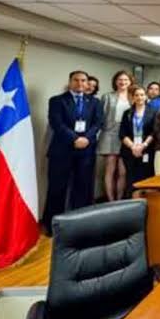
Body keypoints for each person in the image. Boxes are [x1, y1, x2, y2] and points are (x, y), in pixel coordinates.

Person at [43, 70, 103, 235]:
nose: (80, 83)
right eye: (76, 80)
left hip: (86, 151)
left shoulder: (94, 102)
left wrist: (86, 139)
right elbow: (56, 123)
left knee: (82, 189)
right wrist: (75, 139)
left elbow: (98, 123)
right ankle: (53, 226)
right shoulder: (57, 100)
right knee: (57, 189)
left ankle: (80, 224)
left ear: (87, 83)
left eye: (83, 80)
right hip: (62, 151)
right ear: (70, 82)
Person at [98, 70, 134, 201]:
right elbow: (100, 117)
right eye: (120, 79)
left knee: (123, 171)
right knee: (110, 170)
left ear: (130, 82)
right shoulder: (107, 96)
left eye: (126, 80)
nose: (123, 82)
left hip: (127, 136)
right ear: (115, 81)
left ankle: (119, 200)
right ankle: (110, 200)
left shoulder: (133, 97)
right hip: (110, 135)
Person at [119, 85, 156, 199]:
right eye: (136, 95)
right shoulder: (127, 113)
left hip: (147, 149)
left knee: (145, 177)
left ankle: (145, 202)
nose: (139, 97)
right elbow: (122, 133)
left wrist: (143, 145)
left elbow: (154, 132)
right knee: (131, 177)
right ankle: (131, 202)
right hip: (130, 150)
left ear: (146, 97)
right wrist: (133, 147)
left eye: (142, 95)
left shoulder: (153, 112)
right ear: (133, 97)